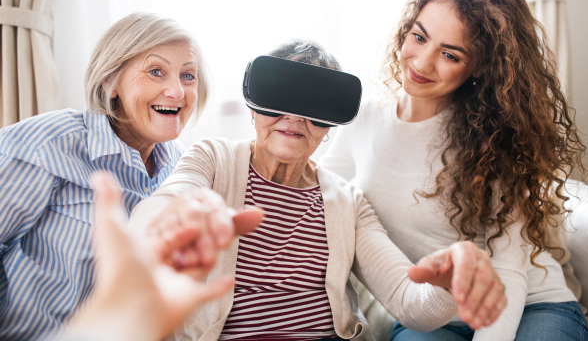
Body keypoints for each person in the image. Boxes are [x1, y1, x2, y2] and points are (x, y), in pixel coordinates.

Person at [129, 40, 507, 341]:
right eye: (278, 100)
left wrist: (444, 283)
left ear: (329, 126)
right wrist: (169, 221)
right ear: (253, 109)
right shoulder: (213, 159)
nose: (294, 118)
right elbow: (167, 202)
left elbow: (411, 307)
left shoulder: (348, 203)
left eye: (313, 107)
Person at [320, 0, 588, 341]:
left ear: (480, 65)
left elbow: (509, 271)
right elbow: (317, 190)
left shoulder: (495, 138)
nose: (421, 62)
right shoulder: (363, 118)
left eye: (450, 55)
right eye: (419, 37)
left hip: (530, 304)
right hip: (432, 313)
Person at [0, 12, 212, 340]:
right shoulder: (49, 141)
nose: (177, 91)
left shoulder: (182, 168)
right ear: (110, 82)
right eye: (156, 71)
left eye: (188, 76)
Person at [56, 172, 263, 341]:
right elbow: (168, 196)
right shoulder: (214, 153)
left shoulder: (171, 152)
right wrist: (163, 225)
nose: (291, 119)